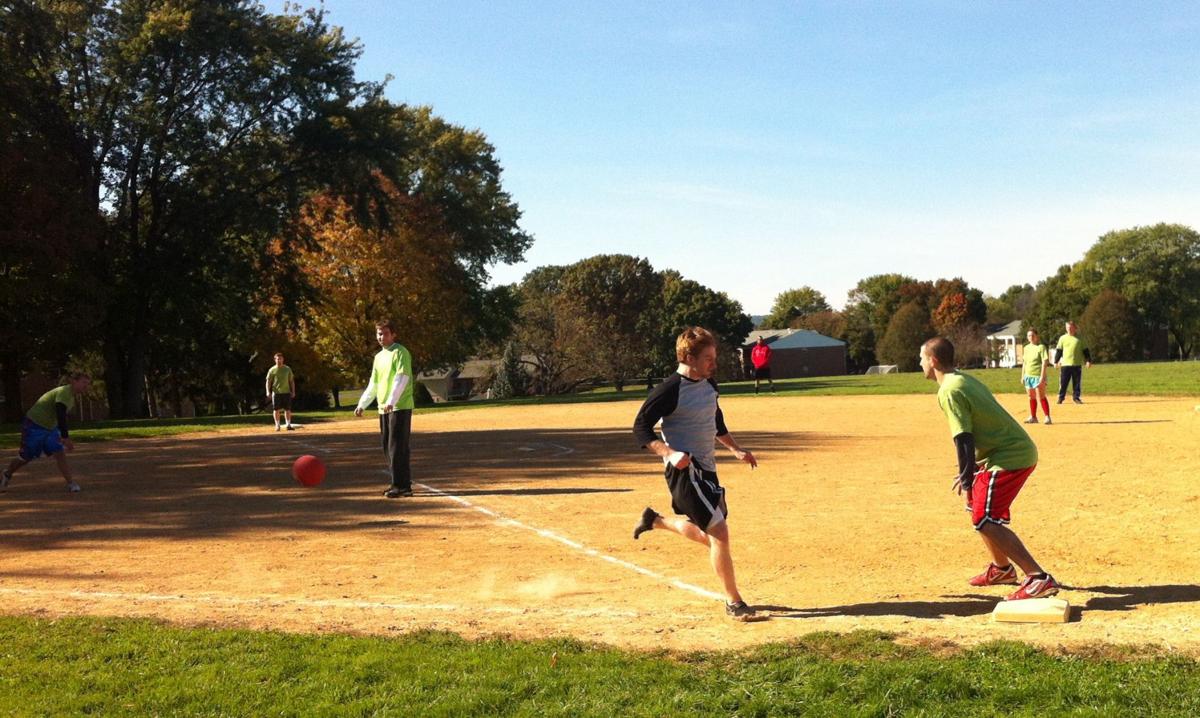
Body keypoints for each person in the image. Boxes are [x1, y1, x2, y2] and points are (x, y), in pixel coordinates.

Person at [632, 326, 761, 621]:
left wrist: (736, 449)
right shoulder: (668, 390)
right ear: (688, 357)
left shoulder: (709, 385)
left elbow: (715, 419)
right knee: (720, 533)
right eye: (707, 358)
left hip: (708, 470)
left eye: (714, 357)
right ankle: (735, 602)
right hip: (684, 471)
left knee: (712, 536)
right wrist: (669, 453)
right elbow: (639, 428)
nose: (713, 364)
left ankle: (656, 521)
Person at [919, 337, 1059, 601]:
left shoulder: (949, 390)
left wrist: (966, 475)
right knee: (977, 508)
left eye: (922, 358)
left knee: (985, 519)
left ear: (933, 360)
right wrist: (970, 472)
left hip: (1010, 456)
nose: (920, 363)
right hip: (1003, 453)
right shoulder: (961, 379)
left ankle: (1038, 578)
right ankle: (1002, 569)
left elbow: (963, 437)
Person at [354, 320, 415, 498]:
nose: (382, 337)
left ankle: (402, 486)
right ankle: (398, 483)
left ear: (393, 334)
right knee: (388, 447)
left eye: (385, 333)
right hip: (384, 408)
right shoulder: (378, 357)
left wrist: (392, 400)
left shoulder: (400, 352)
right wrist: (362, 404)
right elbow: (374, 383)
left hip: (399, 406)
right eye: (379, 334)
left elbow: (402, 377)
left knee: (397, 447)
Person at [2, 373, 91, 493]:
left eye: (87, 383)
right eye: (83, 382)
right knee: (26, 457)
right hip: (34, 425)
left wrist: (62, 435)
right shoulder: (64, 392)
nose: (86, 386)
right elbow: (60, 413)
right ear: (73, 381)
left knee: (59, 453)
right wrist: (65, 437)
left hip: (50, 428)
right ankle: (7, 474)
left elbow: (61, 416)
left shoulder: (71, 397)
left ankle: (71, 483)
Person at [1054, 320, 1092, 404]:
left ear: (1075, 328)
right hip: (1065, 364)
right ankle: (1061, 397)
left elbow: (1085, 350)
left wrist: (1088, 361)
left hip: (1076, 364)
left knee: (1077, 383)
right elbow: (1059, 351)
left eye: (1071, 328)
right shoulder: (1062, 338)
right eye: (1067, 327)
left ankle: (1076, 398)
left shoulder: (1080, 338)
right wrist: (1056, 361)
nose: (1069, 329)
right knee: (1063, 382)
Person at [1021, 329, 1052, 425]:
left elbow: (1044, 362)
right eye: (1029, 336)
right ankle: (1033, 417)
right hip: (1028, 375)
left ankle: (1047, 417)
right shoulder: (1026, 348)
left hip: (1038, 375)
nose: (1031, 337)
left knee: (1041, 396)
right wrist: (1022, 376)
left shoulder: (1041, 347)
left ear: (1037, 336)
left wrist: (1042, 376)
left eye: (1033, 335)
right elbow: (1024, 363)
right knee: (1031, 396)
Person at [266, 352, 296, 431]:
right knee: (276, 409)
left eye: (280, 359)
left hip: (286, 392)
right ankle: (277, 425)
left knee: (288, 409)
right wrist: (268, 391)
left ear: (283, 359)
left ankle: (288, 424)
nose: (279, 360)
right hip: (276, 393)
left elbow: (291, 381)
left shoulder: (287, 369)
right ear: (275, 360)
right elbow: (268, 381)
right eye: (277, 359)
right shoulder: (272, 370)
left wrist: (293, 391)